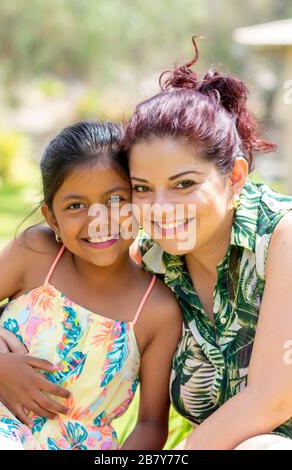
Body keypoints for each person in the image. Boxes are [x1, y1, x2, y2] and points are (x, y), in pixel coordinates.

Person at [125, 37, 292, 450]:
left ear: (235, 177)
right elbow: (46, 295)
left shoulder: (282, 238)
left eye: (184, 184)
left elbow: (271, 401)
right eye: (143, 188)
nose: (160, 209)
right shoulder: (151, 259)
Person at [0, 121, 182, 450]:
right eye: (76, 206)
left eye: (115, 199)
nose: (99, 219)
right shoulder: (36, 253)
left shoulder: (157, 311)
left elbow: (151, 423)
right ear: (52, 219)